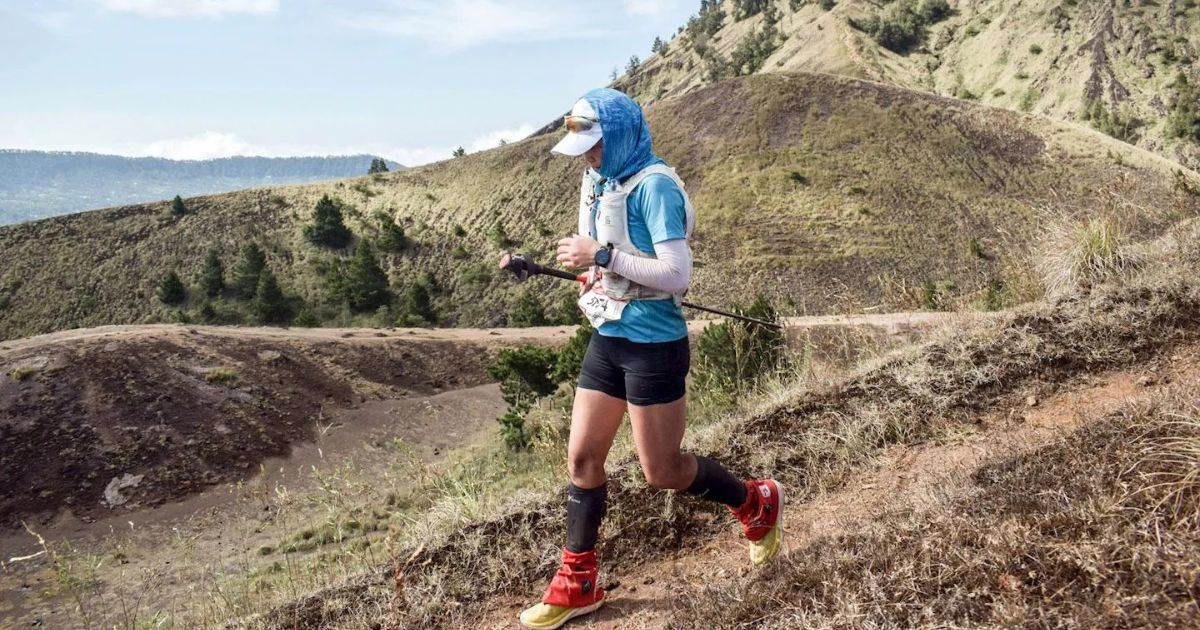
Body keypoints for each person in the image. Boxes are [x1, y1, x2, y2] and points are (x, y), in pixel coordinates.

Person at [518, 88, 784, 630]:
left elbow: (676, 275)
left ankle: (755, 503)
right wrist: (597, 274)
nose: (590, 158)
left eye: (596, 146)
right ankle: (578, 581)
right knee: (582, 459)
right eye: (584, 150)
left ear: (620, 136)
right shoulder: (600, 181)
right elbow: (612, 257)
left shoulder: (655, 186)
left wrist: (602, 255)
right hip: (609, 336)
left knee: (661, 471)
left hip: (654, 346)